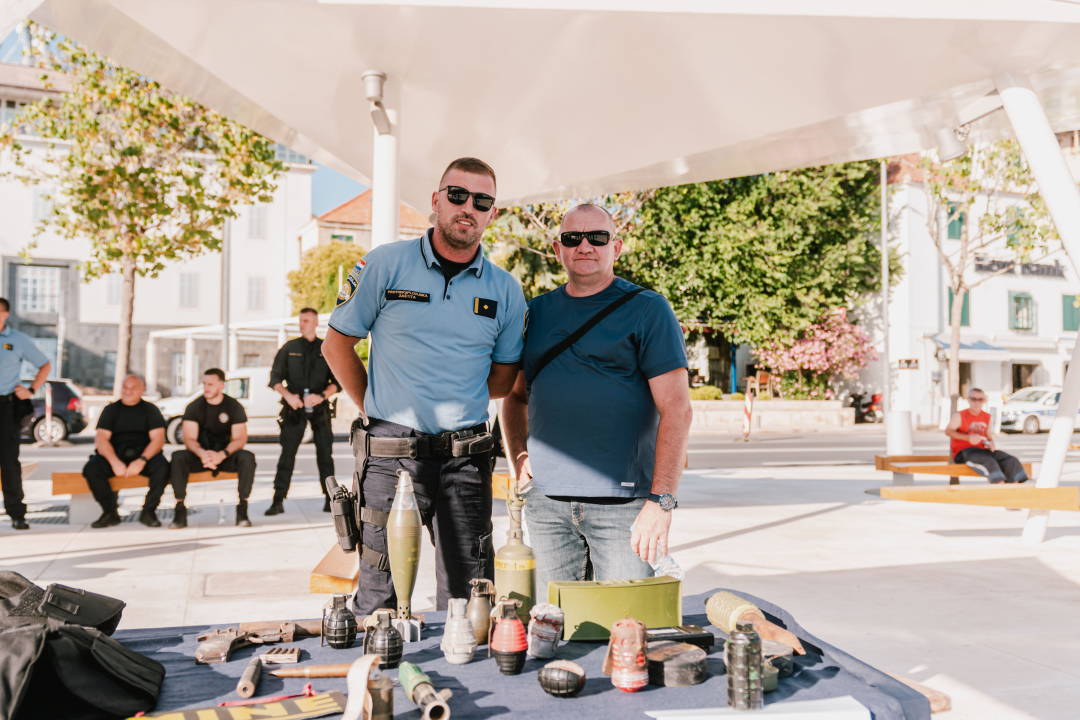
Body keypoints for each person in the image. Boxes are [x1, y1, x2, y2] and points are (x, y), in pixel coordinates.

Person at [323, 157, 526, 614]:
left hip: (466, 461)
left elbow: (502, 380)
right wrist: (377, 409)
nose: (467, 207)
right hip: (392, 456)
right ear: (436, 201)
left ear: (493, 213)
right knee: (380, 598)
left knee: (470, 600)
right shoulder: (384, 265)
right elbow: (337, 348)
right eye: (456, 195)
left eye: (482, 201)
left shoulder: (507, 290)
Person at [501, 203, 694, 593]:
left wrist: (662, 502)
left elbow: (677, 409)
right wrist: (518, 456)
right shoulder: (534, 313)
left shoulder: (648, 310)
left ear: (616, 247)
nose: (584, 246)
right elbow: (515, 396)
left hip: (624, 507)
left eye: (597, 238)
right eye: (573, 239)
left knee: (625, 626)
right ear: (558, 249)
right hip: (546, 505)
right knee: (554, 627)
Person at [266, 307, 340, 516]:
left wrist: (322, 396)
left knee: (325, 455)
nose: (302, 324)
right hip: (294, 408)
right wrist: (289, 396)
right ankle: (278, 500)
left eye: (306, 321)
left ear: (316, 323)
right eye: (300, 320)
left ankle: (330, 500)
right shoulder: (289, 348)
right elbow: (275, 379)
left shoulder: (326, 349)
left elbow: (337, 382)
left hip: (320, 408)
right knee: (287, 455)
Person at [168, 368, 257, 528]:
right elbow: (189, 439)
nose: (206, 388)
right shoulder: (194, 407)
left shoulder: (234, 406)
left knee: (247, 458)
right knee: (178, 457)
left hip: (225, 455)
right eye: (204, 384)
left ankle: (242, 509)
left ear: (222, 386)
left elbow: (240, 439)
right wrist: (202, 454)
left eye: (210, 384)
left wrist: (222, 455)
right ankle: (180, 510)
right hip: (200, 456)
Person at [83, 374, 170, 528]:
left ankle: (148, 512)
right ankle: (110, 512)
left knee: (163, 468)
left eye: (133, 388)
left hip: (144, 455)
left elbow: (158, 440)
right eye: (125, 387)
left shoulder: (151, 410)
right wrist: (115, 462)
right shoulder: (110, 410)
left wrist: (141, 461)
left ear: (142, 390)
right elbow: (101, 439)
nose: (128, 391)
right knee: (92, 469)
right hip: (115, 454)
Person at [0, 297, 51, 531]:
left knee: (9, 462)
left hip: (6, 407)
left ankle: (17, 513)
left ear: (6, 314)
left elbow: (45, 365)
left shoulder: (19, 341)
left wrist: (30, 390)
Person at [946, 387, 1029, 483]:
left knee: (1011, 460)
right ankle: (999, 487)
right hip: (964, 453)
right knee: (989, 463)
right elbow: (948, 431)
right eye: (973, 399)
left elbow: (988, 436)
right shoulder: (959, 415)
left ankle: (1014, 490)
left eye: (980, 399)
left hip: (983, 451)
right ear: (968, 400)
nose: (977, 402)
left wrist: (991, 444)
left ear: (984, 400)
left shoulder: (986, 416)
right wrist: (967, 438)